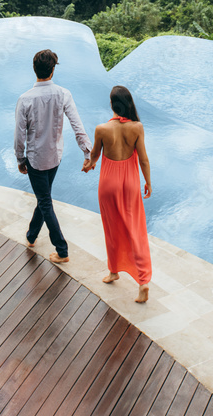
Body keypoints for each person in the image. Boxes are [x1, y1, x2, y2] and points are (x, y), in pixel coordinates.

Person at [15, 48, 92, 264]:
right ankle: (31, 236)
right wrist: (87, 152)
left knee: (45, 201)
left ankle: (62, 250)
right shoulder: (64, 94)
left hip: (36, 159)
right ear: (52, 71)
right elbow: (78, 126)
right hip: (55, 158)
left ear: (35, 69)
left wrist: (20, 159)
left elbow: (19, 135)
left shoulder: (25, 99)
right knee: (44, 197)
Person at [82, 84, 152, 302]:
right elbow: (143, 159)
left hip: (109, 185)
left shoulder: (101, 129)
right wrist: (148, 182)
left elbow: (94, 156)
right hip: (131, 184)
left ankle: (114, 271)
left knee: (111, 229)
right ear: (128, 104)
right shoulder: (137, 127)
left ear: (111, 104)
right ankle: (142, 282)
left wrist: (88, 165)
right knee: (135, 231)